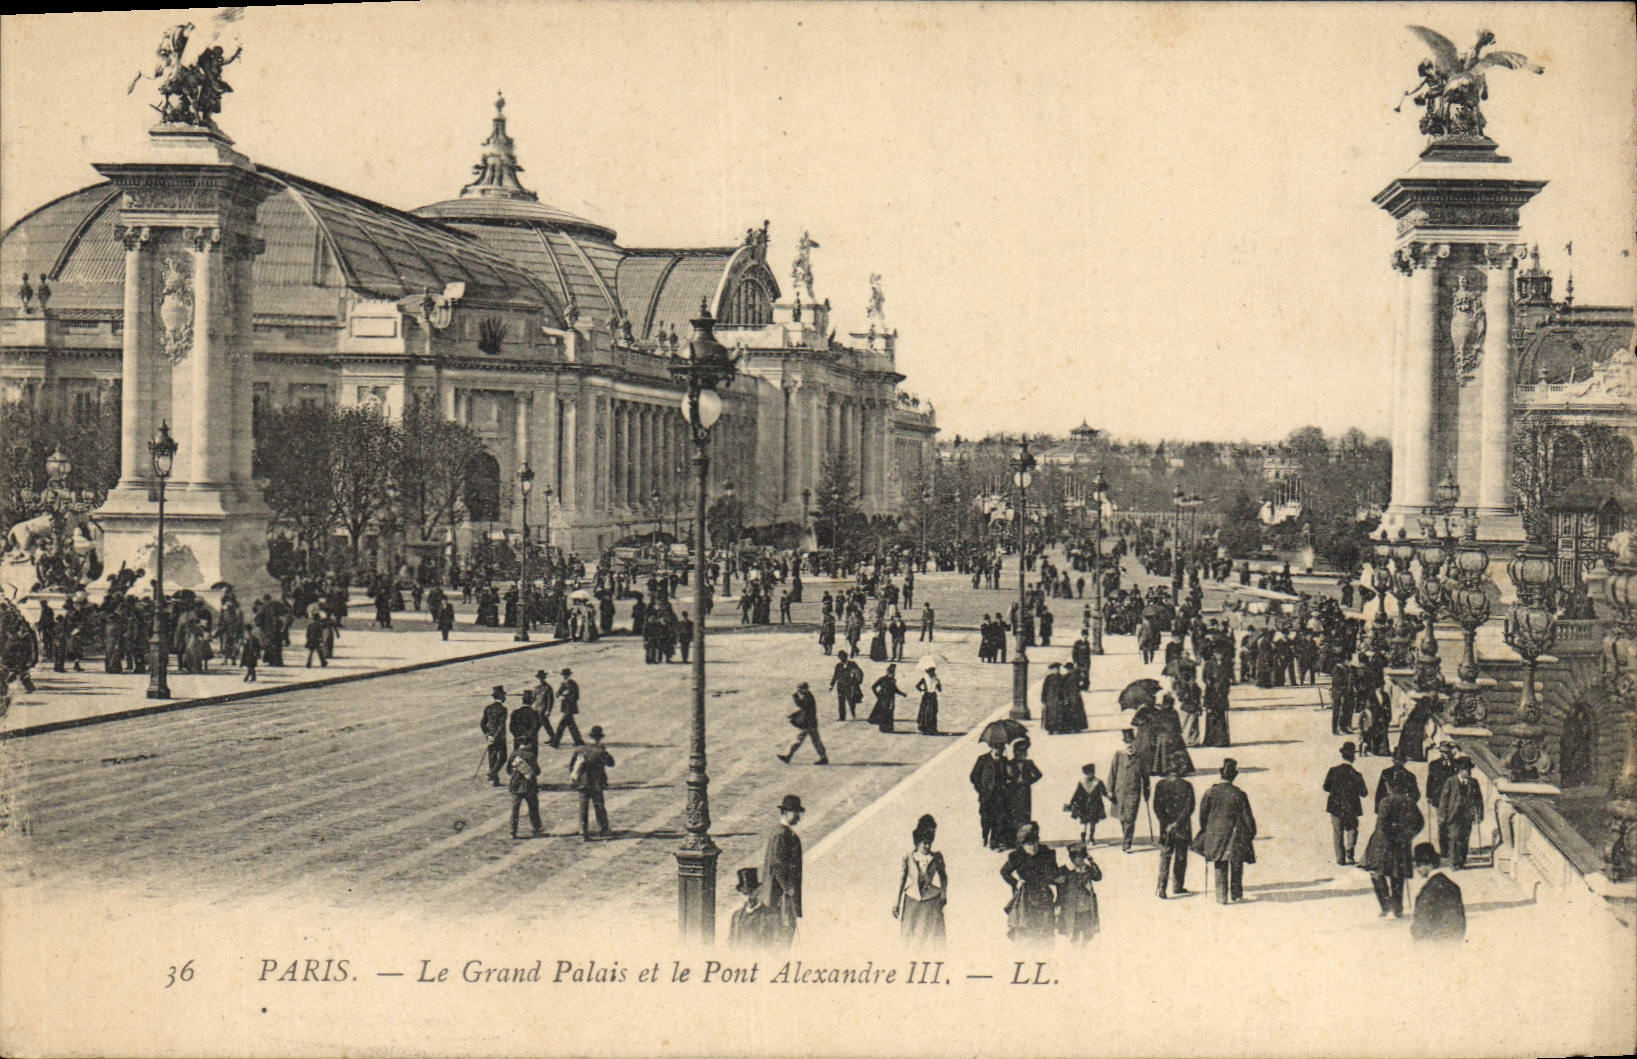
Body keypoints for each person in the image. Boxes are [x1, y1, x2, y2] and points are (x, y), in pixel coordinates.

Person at [1193, 758, 1257, 904]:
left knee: (1220, 863)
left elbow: (1203, 816)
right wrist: (1251, 833)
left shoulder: (1210, 792)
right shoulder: (1239, 794)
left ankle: (1221, 897)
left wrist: (1207, 830)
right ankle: (1236, 894)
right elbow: (1248, 817)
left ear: (1221, 774)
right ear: (1234, 776)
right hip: (1236, 834)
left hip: (1216, 834)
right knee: (1236, 862)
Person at [1361, 778, 1425, 918]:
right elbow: (1420, 823)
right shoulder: (1410, 802)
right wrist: (1407, 836)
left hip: (1383, 845)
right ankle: (1398, 908)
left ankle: (1386, 905)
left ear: (1390, 788)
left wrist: (1391, 838)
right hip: (1401, 846)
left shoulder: (1386, 802)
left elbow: (1382, 825)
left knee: (1376, 873)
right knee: (1397, 876)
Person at [894, 814, 948, 950]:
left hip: (931, 900)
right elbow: (901, 880)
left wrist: (943, 893)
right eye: (924, 842)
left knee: (933, 936)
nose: (927, 845)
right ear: (917, 842)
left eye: (929, 842)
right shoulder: (909, 857)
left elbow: (943, 876)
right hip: (912, 899)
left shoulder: (936, 857)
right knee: (908, 934)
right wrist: (896, 903)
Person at [1000, 822, 1058, 945]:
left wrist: (1056, 878)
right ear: (1023, 845)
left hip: (1044, 895)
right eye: (1029, 844)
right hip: (1025, 898)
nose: (1034, 847)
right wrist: (1016, 882)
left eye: (1036, 842)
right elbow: (1004, 872)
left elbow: (1053, 873)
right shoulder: (1017, 856)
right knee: (1026, 932)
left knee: (1046, 932)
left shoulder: (1046, 853)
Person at [761, 794, 805, 947]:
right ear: (785, 812)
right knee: (782, 940)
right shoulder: (782, 835)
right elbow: (777, 865)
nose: (798, 816)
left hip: (779, 899)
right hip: (780, 901)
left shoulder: (780, 833)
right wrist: (789, 889)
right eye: (795, 812)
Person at [1153, 756, 1196, 898]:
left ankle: (1162, 888)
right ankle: (1178, 886)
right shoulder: (1187, 785)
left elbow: (1157, 807)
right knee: (1181, 857)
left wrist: (1166, 823)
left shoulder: (1160, 785)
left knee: (1165, 856)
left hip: (1165, 828)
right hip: (1182, 828)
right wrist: (1177, 823)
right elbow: (1190, 807)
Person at [1323, 741, 1368, 866]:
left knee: (1338, 832)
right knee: (1352, 828)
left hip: (1335, 806)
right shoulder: (1357, 774)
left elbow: (1326, 787)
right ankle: (1350, 851)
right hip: (1352, 807)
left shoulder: (1333, 771)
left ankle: (1340, 858)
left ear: (1342, 755)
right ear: (1353, 757)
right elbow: (1364, 793)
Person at [1410, 842, 1466, 943]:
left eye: (1419, 864)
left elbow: (1422, 923)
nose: (1416, 869)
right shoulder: (1453, 886)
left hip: (1434, 946)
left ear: (1429, 865)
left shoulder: (1428, 891)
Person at [568, 725, 615, 840]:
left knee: (583, 807)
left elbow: (571, 766)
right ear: (600, 738)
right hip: (596, 783)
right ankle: (603, 829)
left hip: (582, 783)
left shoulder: (580, 750)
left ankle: (583, 831)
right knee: (599, 806)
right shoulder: (600, 751)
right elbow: (611, 763)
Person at [1438, 756, 1484, 869]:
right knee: (1454, 837)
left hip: (1467, 816)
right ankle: (1453, 863)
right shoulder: (1451, 781)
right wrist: (1442, 815)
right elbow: (1444, 800)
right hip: (1453, 815)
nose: (1468, 772)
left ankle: (1461, 861)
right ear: (1460, 770)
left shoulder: (1474, 783)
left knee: (1464, 838)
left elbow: (1479, 800)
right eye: (1465, 769)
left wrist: (1479, 814)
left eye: (1469, 769)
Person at [1108, 728, 1149, 853]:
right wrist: (1109, 790)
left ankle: (1127, 842)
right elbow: (1112, 773)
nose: (1130, 746)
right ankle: (1126, 836)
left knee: (1130, 818)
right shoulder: (1119, 755)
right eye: (1127, 743)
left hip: (1133, 792)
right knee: (1122, 817)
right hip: (1119, 791)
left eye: (1132, 742)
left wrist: (1147, 792)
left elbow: (1145, 776)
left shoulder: (1141, 756)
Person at [1055, 842, 1102, 947]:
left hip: (1087, 908)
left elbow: (1098, 877)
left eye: (1083, 858)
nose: (1082, 861)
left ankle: (1083, 948)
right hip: (1072, 909)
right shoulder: (1064, 870)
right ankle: (1076, 952)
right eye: (1079, 858)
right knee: (1074, 933)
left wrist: (1092, 862)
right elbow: (1058, 886)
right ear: (1072, 858)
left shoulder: (1088, 869)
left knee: (1088, 933)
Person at [971, 736, 1010, 850]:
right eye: (997, 747)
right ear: (992, 747)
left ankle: (994, 840)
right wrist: (981, 789)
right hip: (986, 795)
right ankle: (984, 836)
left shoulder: (1004, 760)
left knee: (998, 818)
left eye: (1002, 748)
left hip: (1000, 795)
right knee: (986, 818)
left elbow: (1008, 777)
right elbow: (974, 776)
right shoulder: (982, 759)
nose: (1000, 750)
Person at [778, 681, 828, 765]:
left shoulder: (808, 697)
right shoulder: (807, 696)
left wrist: (795, 698)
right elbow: (803, 710)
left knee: (801, 740)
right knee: (814, 741)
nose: (799, 691)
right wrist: (793, 715)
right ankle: (823, 758)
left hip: (809, 724)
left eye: (800, 689)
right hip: (810, 723)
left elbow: (802, 706)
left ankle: (788, 757)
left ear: (804, 689)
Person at [1425, 740, 1460, 857]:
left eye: (1447, 752)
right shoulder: (1434, 765)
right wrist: (1429, 796)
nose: (1445, 754)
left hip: (1453, 798)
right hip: (1438, 798)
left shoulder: (1457, 765)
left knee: (1453, 822)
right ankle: (1444, 850)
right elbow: (1429, 781)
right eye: (1443, 752)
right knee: (1442, 823)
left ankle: (1453, 849)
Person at [729, 868, 776, 949]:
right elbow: (730, 941)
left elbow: (776, 946)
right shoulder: (736, 916)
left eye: (751, 893)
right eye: (745, 894)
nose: (748, 898)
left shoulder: (770, 916)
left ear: (758, 891)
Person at [1004, 739, 1042, 838]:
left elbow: (1039, 774)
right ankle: (1014, 836)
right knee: (1014, 813)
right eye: (1022, 752)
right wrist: (1009, 774)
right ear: (1015, 752)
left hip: (1025, 791)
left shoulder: (1029, 763)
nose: (1025, 754)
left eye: (1025, 751)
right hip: (1014, 792)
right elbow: (1005, 778)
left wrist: (1028, 782)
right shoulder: (1009, 763)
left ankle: (1025, 836)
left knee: (1025, 812)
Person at [1064, 763, 1108, 847]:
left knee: (1093, 822)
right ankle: (1083, 840)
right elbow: (1076, 794)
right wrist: (1072, 802)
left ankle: (1091, 839)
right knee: (1084, 823)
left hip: (1095, 806)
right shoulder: (1082, 783)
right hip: (1083, 806)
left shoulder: (1098, 782)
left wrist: (1111, 797)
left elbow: (1104, 792)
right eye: (1088, 773)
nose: (1090, 775)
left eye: (1092, 773)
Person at [507, 749, 544, 840]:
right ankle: (536, 828)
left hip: (516, 785)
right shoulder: (531, 755)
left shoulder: (513, 755)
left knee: (515, 809)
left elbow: (508, 770)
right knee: (533, 806)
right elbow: (537, 771)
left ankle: (513, 831)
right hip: (529, 785)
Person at [481, 686, 509, 787]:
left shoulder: (488, 708)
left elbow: (483, 723)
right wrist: (495, 737)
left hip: (490, 737)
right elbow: (501, 726)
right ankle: (492, 774)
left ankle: (494, 780)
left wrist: (488, 735)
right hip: (500, 737)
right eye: (504, 695)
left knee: (492, 757)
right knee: (503, 757)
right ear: (501, 696)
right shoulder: (503, 709)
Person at [868, 664, 907, 733]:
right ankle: (883, 728)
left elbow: (895, 689)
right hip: (883, 699)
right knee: (883, 712)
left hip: (891, 699)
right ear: (888, 672)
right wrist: (877, 695)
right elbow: (873, 687)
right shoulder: (882, 679)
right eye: (891, 672)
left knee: (890, 713)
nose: (893, 674)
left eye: (893, 673)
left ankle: (889, 728)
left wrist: (902, 694)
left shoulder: (893, 680)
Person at [551, 668, 584, 748]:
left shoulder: (573, 684)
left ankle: (555, 742)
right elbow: (557, 694)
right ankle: (579, 741)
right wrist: (561, 696)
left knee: (561, 725)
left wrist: (566, 696)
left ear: (569, 675)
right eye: (563, 675)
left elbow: (575, 697)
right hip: (565, 708)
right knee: (571, 725)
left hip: (570, 708)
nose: (564, 677)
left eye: (566, 675)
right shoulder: (563, 684)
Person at [915, 666, 941, 735]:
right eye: (930, 672)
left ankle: (932, 728)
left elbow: (940, 690)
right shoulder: (924, 678)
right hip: (926, 696)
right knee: (925, 712)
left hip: (933, 696)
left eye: (932, 672)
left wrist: (938, 684)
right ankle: (924, 728)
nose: (931, 674)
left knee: (933, 712)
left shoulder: (936, 679)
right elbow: (917, 686)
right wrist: (923, 690)